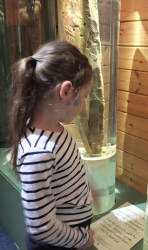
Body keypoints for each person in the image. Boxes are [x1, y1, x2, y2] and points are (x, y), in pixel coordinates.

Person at [9, 40, 95, 250]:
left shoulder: (55, 130)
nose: (83, 103)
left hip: (71, 231)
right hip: (57, 244)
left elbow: (62, 177)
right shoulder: (38, 152)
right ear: (66, 91)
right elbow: (43, 227)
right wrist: (82, 239)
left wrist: (83, 192)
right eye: (84, 95)